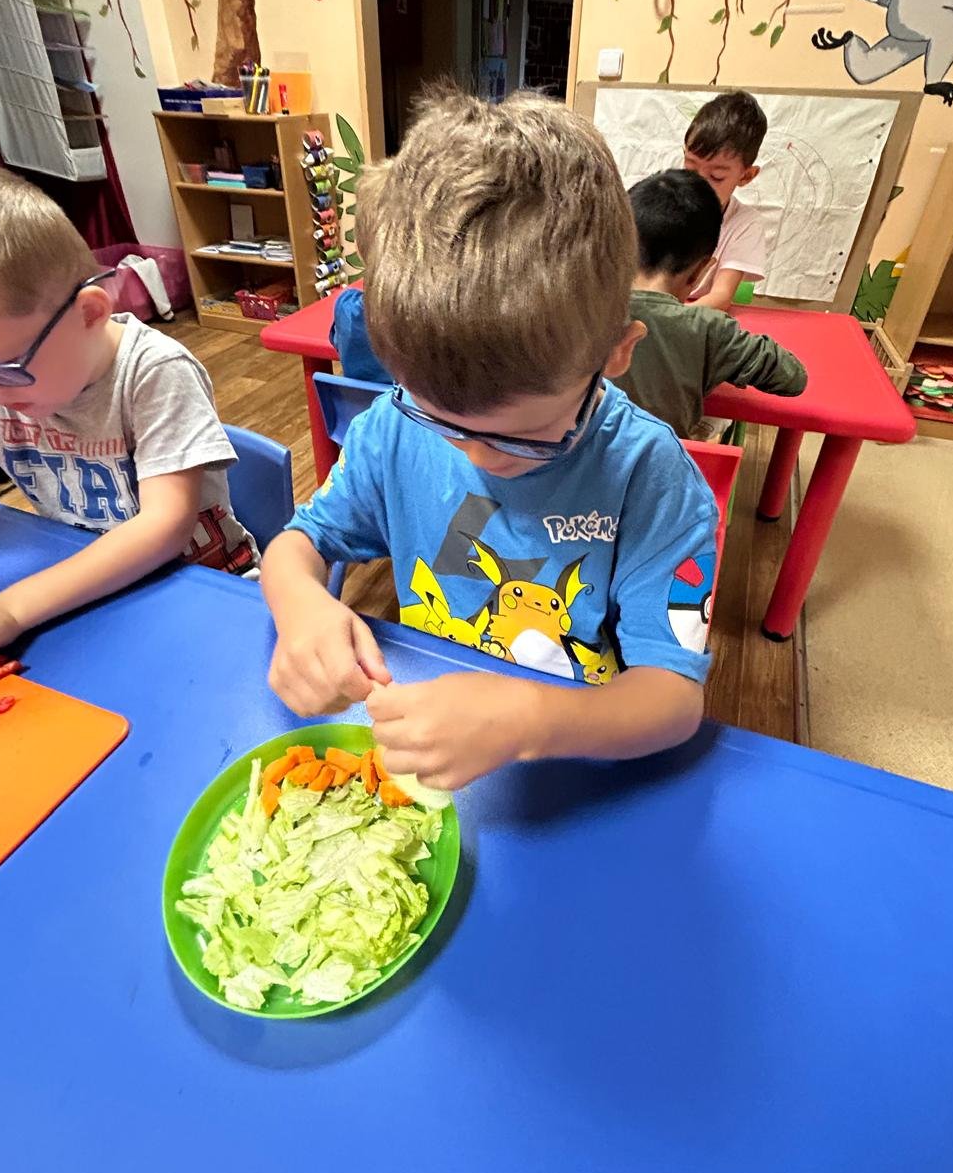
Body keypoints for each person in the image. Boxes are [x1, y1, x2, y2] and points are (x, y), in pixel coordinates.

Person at [261, 89, 720, 793]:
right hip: (437, 755)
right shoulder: (391, 428)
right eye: (441, 422)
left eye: (527, 438)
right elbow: (298, 544)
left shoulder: (650, 475)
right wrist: (301, 606)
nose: (476, 456)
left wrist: (531, 721)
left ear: (617, 353)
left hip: (573, 762)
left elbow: (674, 700)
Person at [0, 159, 255, 699]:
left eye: (0, 367)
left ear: (89, 313)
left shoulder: (153, 373)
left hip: (209, 595)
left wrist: (7, 609)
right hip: (83, 594)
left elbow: (164, 527)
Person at [617, 169, 806, 439]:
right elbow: (793, 377)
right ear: (701, 270)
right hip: (663, 464)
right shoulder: (710, 330)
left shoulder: (577, 312)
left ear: (622, 247)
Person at [681, 90, 768, 310]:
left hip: (695, 313)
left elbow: (721, 296)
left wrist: (672, 318)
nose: (698, 184)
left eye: (716, 176)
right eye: (690, 168)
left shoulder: (745, 224)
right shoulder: (660, 201)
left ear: (746, 176)